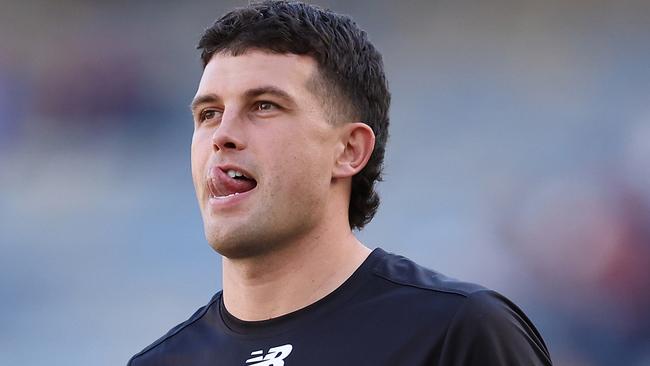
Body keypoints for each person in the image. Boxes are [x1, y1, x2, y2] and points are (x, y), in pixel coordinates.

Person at [128, 1, 552, 365]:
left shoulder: (454, 332)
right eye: (208, 114)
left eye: (264, 106)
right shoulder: (161, 361)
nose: (222, 135)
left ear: (349, 150)